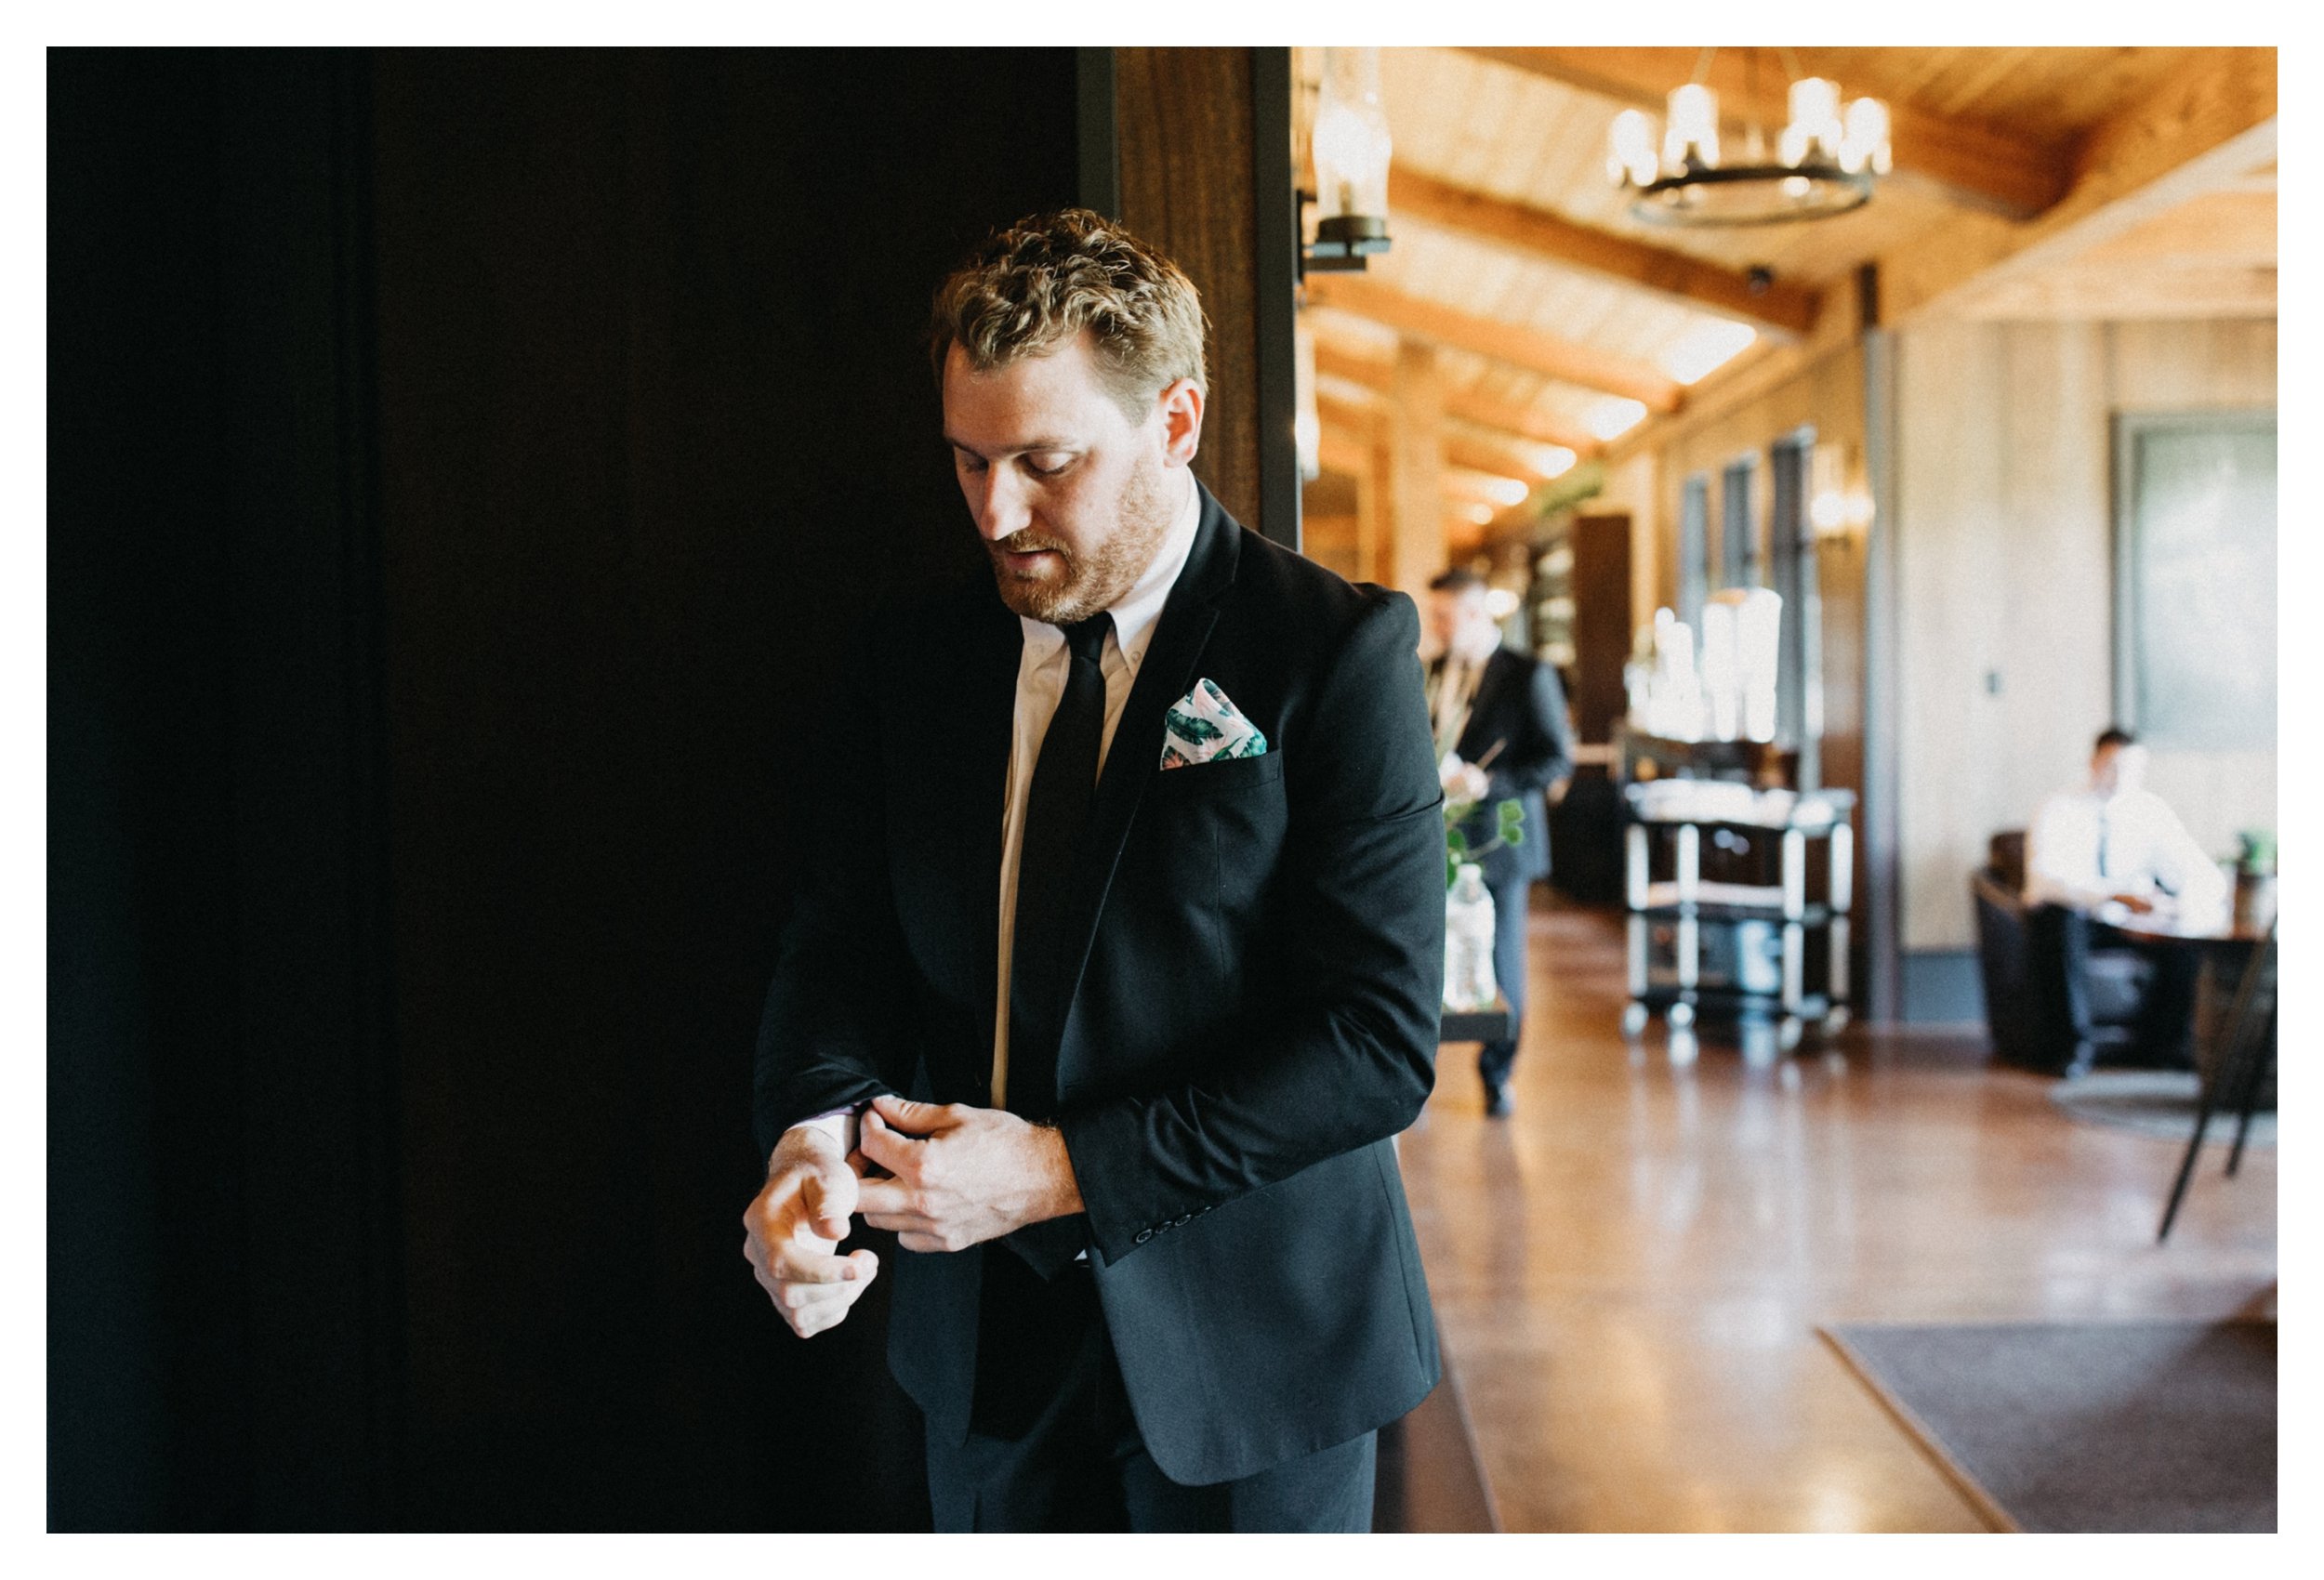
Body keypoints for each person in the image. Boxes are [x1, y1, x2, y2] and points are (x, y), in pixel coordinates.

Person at [741, 209, 1446, 1533]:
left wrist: (1062, 1172)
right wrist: (812, 1141)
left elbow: (1374, 1043)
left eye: (1044, 461)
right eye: (967, 462)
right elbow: (841, 948)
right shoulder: (912, 662)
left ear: (1174, 422)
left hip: (1253, 1355)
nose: (998, 513)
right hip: (978, 1349)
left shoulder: (1333, 654)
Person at [1423, 567, 1575, 1117]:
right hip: (1438, 840)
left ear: (1473, 612)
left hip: (1501, 840)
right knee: (1430, 956)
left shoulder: (1528, 674)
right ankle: (1421, 1071)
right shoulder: (1434, 670)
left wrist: (1488, 782)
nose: (1435, 626)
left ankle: (1498, 1074)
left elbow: (1556, 759)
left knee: (1502, 958)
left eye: (1442, 615)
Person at [2026, 726, 2225, 1073]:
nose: (2120, 777)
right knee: (2061, 921)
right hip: (2077, 915)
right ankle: (2073, 1048)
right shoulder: (2058, 807)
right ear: (2093, 762)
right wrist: (2112, 894)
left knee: (2187, 936)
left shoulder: (2150, 811)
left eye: (2131, 769)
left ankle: (2161, 1045)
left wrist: (2179, 901)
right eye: (2113, 766)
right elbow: (2045, 878)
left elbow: (2198, 871)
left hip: (2129, 920)